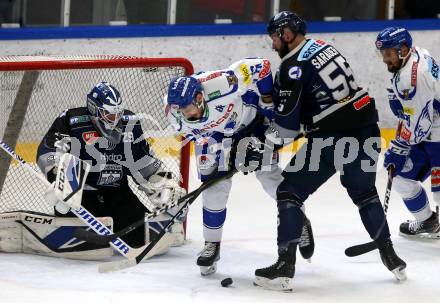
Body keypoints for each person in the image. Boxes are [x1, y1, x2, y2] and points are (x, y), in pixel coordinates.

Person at [251, 11, 407, 291]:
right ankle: (392, 257)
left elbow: (286, 128)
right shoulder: (323, 46)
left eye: (275, 37)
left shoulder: (292, 66)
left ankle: (284, 267)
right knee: (365, 193)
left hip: (333, 138)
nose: (273, 44)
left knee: (289, 193)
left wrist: (264, 146)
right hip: (367, 128)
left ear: (287, 35)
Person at [164, 58, 315, 276]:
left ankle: (299, 221)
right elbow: (201, 137)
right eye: (180, 110)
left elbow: (262, 65)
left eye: (187, 108)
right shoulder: (174, 113)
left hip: (250, 123)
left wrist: (268, 101)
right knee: (214, 188)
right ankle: (212, 244)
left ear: (199, 97)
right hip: (216, 138)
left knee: (270, 179)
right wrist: (229, 155)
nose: (185, 113)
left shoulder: (223, 83)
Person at [36, 81, 186, 251]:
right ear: (94, 110)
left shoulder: (130, 125)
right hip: (82, 196)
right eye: (109, 115)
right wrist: (57, 177)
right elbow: (48, 150)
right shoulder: (72, 121)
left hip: (118, 193)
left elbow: (142, 159)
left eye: (118, 114)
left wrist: (161, 183)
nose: (115, 121)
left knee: (142, 239)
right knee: (88, 246)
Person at [375, 27, 440, 238]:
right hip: (432, 127)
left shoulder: (414, 78)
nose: (384, 59)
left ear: (403, 49)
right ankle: (428, 222)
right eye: (382, 54)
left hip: (434, 133)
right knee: (401, 177)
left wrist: (398, 147)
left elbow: (419, 127)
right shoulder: (416, 53)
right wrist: (399, 101)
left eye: (388, 53)